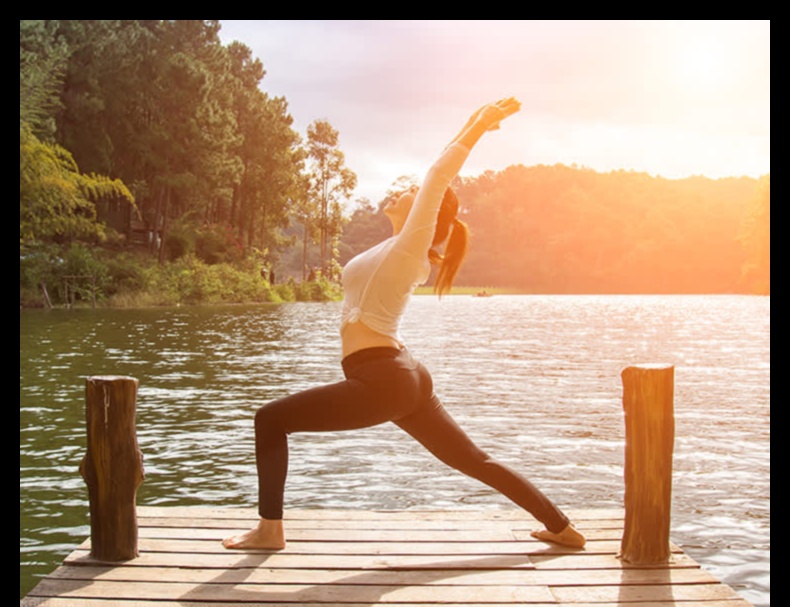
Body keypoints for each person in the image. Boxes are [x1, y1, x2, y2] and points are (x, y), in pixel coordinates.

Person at [223, 97, 586, 551]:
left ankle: (269, 531)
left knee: (270, 420)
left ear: (427, 214)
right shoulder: (394, 249)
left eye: (410, 192)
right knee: (473, 458)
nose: (400, 192)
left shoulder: (412, 248)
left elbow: (438, 174)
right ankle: (561, 527)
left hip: (384, 377)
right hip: (401, 373)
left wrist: (478, 123)